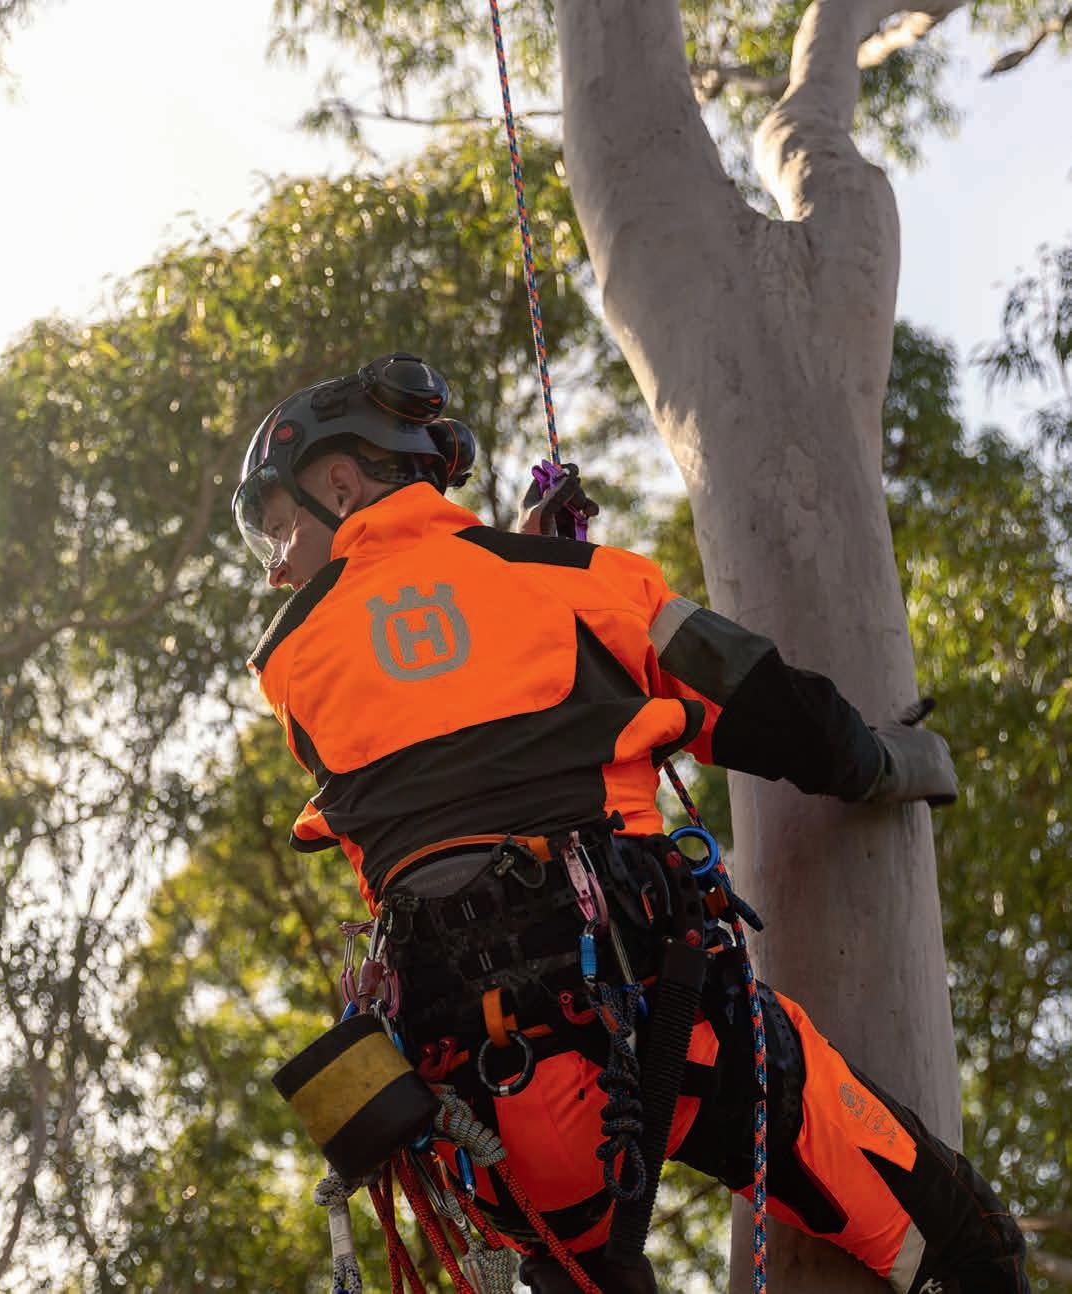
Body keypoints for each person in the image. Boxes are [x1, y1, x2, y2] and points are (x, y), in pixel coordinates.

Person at [236, 352, 1029, 1294]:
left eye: (280, 528)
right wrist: (881, 761)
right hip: (669, 1021)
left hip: (481, 1112)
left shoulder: (284, 665)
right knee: (969, 1253)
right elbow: (760, 700)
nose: (279, 564)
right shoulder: (576, 580)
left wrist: (529, 562)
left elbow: (431, 683)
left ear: (340, 482)